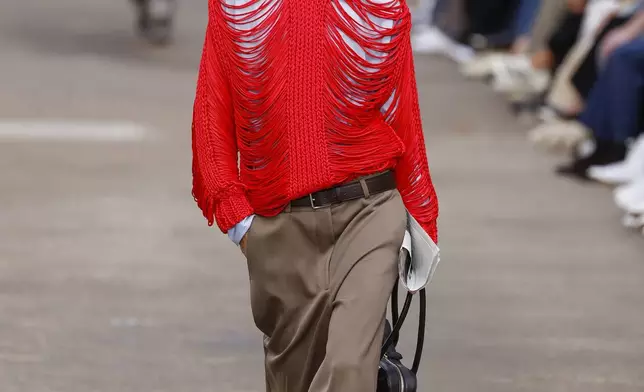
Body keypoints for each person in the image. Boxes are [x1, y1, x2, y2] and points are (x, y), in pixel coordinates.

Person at [191, 0, 439, 391]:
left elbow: (401, 113)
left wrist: (422, 219)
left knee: (348, 367)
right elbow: (212, 116)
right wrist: (240, 222)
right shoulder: (235, 7)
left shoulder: (384, 7)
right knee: (293, 381)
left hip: (369, 209)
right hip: (278, 223)